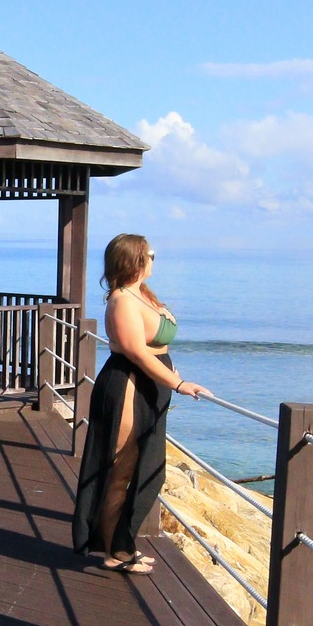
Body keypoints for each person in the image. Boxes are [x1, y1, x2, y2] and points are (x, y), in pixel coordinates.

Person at [72, 234, 205, 572]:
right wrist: (178, 383)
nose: (154, 259)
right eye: (150, 254)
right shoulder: (121, 301)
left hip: (151, 386)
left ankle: (121, 542)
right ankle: (115, 552)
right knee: (121, 471)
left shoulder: (141, 294)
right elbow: (136, 352)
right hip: (129, 386)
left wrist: (169, 375)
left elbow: (155, 347)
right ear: (135, 260)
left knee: (149, 470)